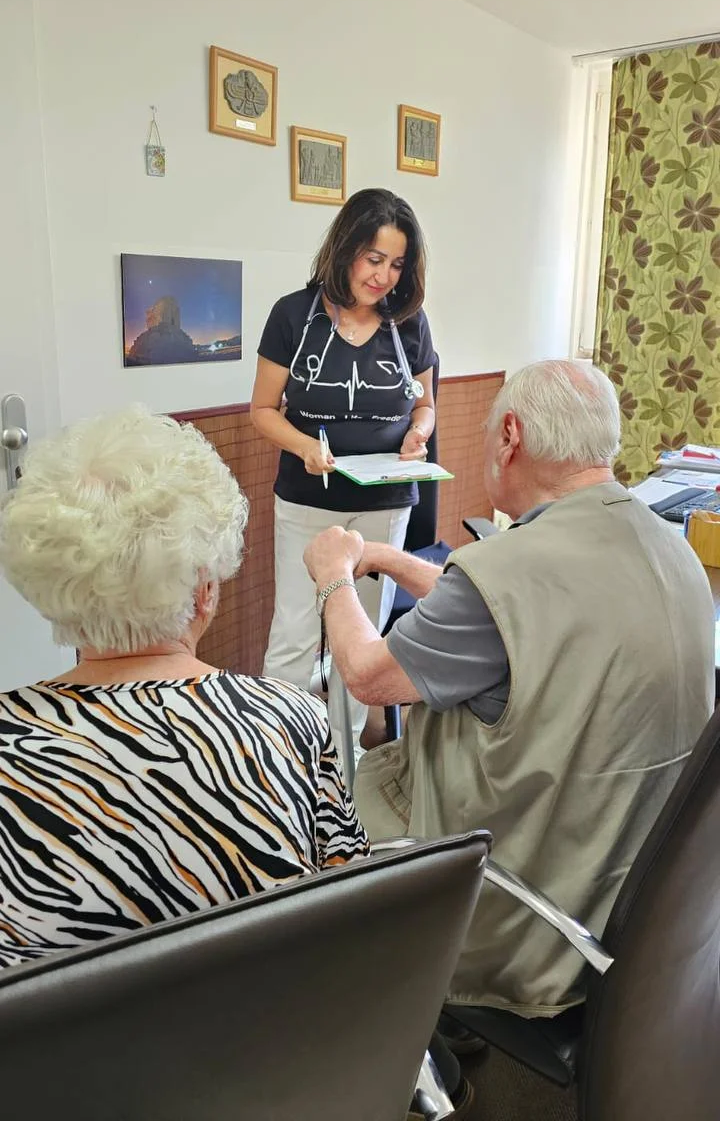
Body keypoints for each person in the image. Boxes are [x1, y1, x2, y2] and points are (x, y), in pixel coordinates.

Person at [302, 359, 716, 1018]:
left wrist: (334, 576)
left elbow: (370, 676)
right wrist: (392, 561)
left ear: (510, 436)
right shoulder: (670, 547)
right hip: (637, 903)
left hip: (523, 909)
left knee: (317, 819)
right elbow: (512, 614)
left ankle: (381, 1027)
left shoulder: (508, 568)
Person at [0, 405, 368, 968]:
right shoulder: (292, 718)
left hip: (62, 1031)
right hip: (271, 1018)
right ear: (204, 590)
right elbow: (350, 912)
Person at [250, 188, 435, 774]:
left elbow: (425, 405)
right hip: (308, 501)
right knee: (296, 633)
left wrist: (418, 434)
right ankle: (276, 760)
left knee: (363, 637)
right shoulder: (292, 316)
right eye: (373, 259)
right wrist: (305, 446)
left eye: (397, 264)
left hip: (385, 503)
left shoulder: (409, 323)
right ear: (345, 249)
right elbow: (262, 411)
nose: (383, 276)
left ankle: (345, 763)